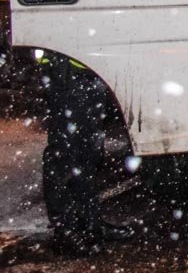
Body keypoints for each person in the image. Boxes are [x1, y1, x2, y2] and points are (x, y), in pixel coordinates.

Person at [39, 54, 135, 255]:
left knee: (87, 152)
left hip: (86, 66)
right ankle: (66, 229)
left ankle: (88, 223)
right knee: (66, 152)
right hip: (68, 67)